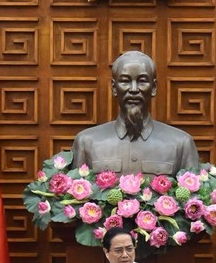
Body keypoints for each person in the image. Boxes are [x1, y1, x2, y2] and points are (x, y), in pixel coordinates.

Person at [71, 51, 200, 176]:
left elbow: (194, 196)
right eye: (125, 81)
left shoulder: (181, 143)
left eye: (142, 81)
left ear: (154, 88)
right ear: (114, 88)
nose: (133, 89)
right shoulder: (86, 142)